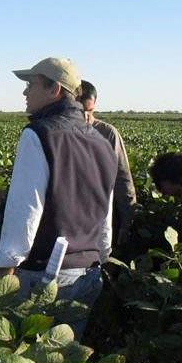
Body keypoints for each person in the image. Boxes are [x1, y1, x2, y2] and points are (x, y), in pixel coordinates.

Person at [0, 58, 118, 338]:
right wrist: (102, 254)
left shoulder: (38, 134)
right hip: (88, 273)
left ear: (55, 90)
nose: (25, 92)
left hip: (46, 274)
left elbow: (25, 209)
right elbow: (105, 214)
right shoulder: (102, 143)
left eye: (31, 85)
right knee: (65, 360)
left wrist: (7, 267)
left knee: (24, 357)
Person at [77, 80, 137, 247]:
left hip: (103, 217)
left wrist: (127, 222)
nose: (86, 117)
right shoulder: (59, 133)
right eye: (80, 112)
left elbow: (122, 178)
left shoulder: (107, 133)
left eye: (89, 111)